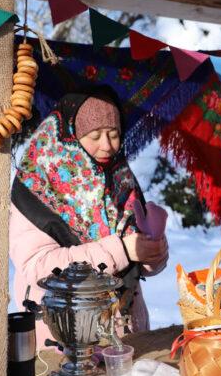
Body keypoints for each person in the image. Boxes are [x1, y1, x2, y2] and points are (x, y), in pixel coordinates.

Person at [9, 86, 169, 350]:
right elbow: (38, 267)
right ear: (70, 137)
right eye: (95, 135)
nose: (107, 145)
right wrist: (122, 250)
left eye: (114, 134)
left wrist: (154, 252)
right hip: (65, 339)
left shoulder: (120, 179)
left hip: (127, 334)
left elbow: (137, 263)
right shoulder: (38, 185)